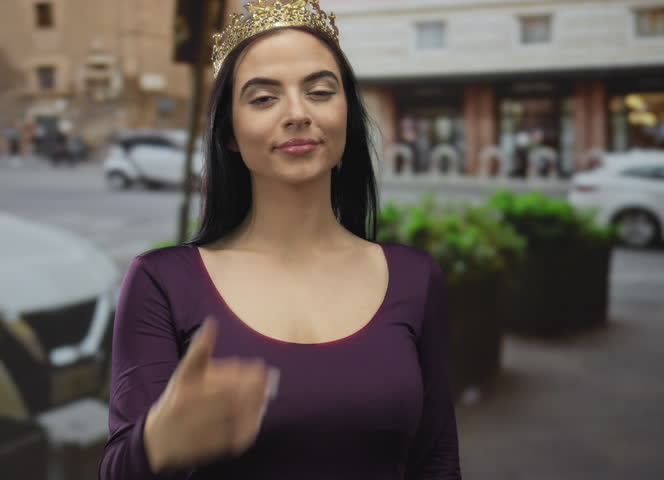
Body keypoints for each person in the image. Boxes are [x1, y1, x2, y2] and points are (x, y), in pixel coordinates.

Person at [99, 1, 461, 478]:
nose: (297, 113)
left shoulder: (415, 278)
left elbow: (437, 461)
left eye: (319, 91)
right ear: (229, 131)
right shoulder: (161, 283)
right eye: (264, 97)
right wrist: (156, 440)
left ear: (346, 115)